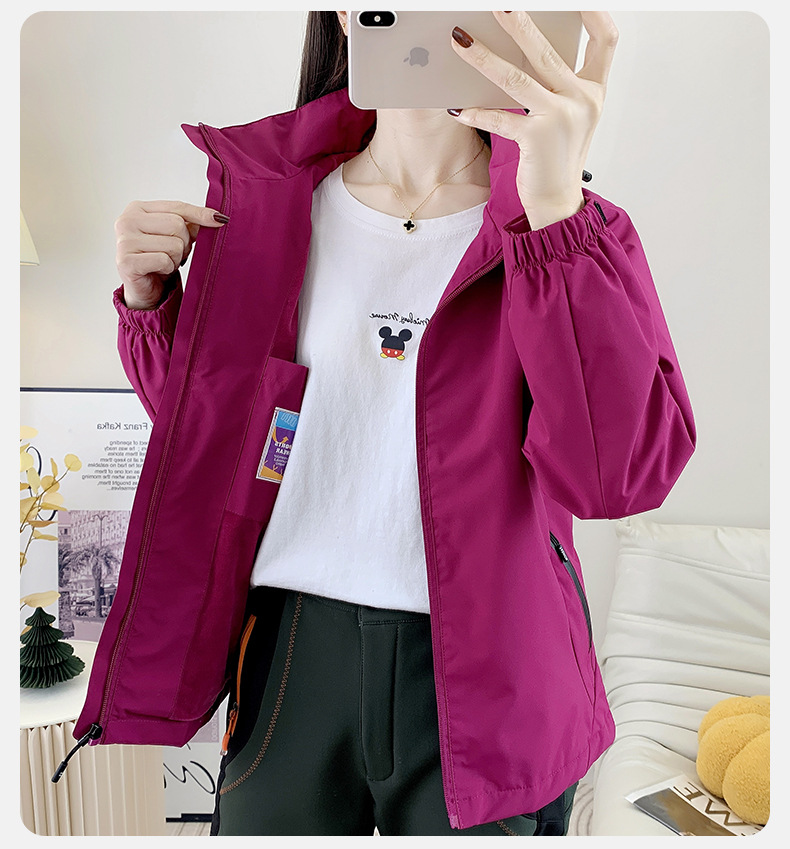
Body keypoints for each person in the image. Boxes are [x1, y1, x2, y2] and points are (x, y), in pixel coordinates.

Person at [71, 10, 696, 836]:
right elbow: (224, 443)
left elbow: (618, 477)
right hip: (291, 655)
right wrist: (151, 308)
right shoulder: (265, 207)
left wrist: (554, 210)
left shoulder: (571, 230)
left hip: (495, 666)